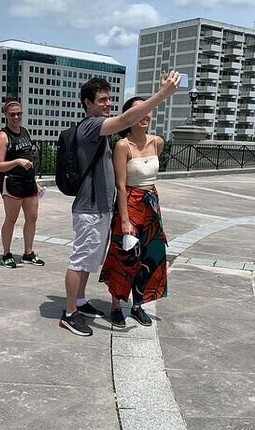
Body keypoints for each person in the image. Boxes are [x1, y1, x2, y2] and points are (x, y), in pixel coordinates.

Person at [60, 72, 180, 337]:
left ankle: (79, 301)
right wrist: (163, 94)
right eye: (102, 100)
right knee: (80, 260)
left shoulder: (99, 129)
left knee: (90, 259)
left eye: (109, 100)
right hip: (90, 209)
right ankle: (69, 313)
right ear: (87, 103)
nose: (107, 105)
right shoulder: (91, 126)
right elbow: (126, 120)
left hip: (100, 208)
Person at [99, 97, 168, 328]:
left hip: (151, 205)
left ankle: (138, 304)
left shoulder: (157, 142)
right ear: (128, 117)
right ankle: (116, 305)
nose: (144, 116)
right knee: (124, 255)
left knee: (152, 255)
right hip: (129, 204)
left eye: (146, 111)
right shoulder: (122, 145)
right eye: (137, 111)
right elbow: (120, 185)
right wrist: (126, 221)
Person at [0, 97, 45, 268]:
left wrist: (34, 180)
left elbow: (29, 157)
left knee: (32, 217)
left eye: (19, 114)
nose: (16, 117)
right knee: (11, 219)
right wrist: (17, 162)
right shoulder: (3, 136)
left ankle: (28, 253)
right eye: (12, 114)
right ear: (6, 115)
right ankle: (6, 253)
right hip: (13, 182)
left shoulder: (24, 132)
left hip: (28, 182)